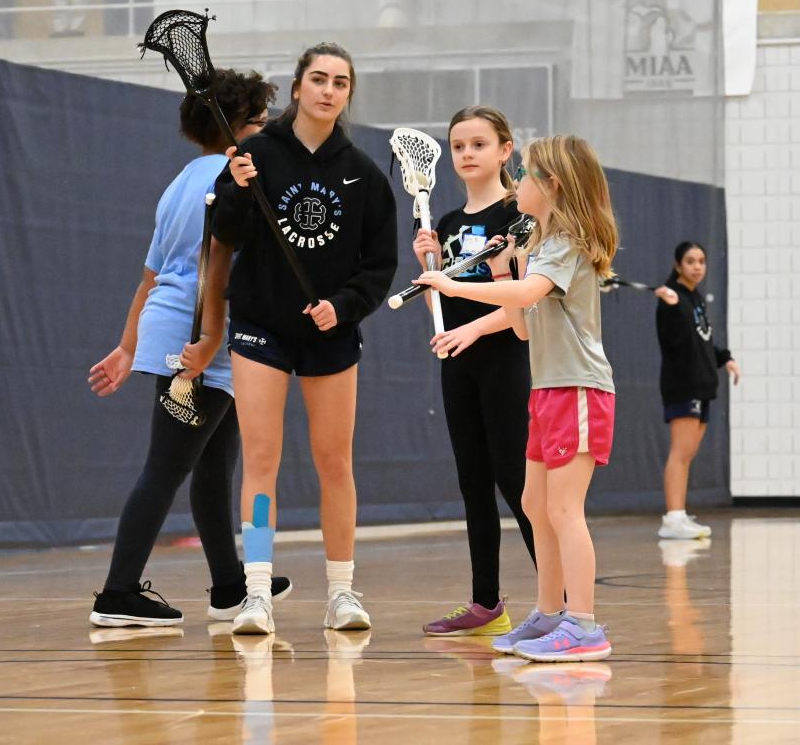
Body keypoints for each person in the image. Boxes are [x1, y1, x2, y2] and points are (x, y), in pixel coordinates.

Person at [416, 135, 674, 662]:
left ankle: (584, 626)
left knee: (562, 508)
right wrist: (505, 272)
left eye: (529, 175)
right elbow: (524, 326)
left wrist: (454, 285)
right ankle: (550, 614)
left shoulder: (568, 242)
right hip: (547, 389)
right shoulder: (539, 245)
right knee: (535, 505)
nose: (520, 183)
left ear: (552, 185)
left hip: (579, 389)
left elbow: (529, 296)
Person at [86, 69, 292, 627]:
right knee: (166, 467)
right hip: (200, 337)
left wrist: (130, 345)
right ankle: (118, 593)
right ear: (240, 128)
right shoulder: (235, 179)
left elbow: (149, 276)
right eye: (261, 121)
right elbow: (212, 269)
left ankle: (229, 585)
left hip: (176, 330)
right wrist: (205, 341)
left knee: (212, 466)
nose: (268, 129)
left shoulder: (180, 181)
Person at [212, 42, 398, 635]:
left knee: (334, 461)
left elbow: (379, 265)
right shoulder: (254, 154)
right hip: (262, 325)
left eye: (340, 82)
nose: (328, 90)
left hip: (330, 334)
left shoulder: (365, 174)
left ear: (347, 95)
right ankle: (258, 595)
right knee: (261, 458)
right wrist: (238, 188)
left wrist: (342, 307)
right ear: (296, 88)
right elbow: (227, 234)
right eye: (318, 79)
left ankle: (341, 593)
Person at [411, 106, 536, 637]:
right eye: (458, 145)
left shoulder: (519, 216)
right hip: (458, 364)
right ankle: (486, 602)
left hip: (505, 358)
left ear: (505, 150)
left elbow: (524, 304)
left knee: (518, 481)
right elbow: (439, 309)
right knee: (472, 482)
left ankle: (565, 603)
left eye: (479, 144)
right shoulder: (445, 224)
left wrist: (472, 331)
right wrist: (428, 271)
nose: (466, 154)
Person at [655, 241, 740, 540]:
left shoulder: (694, 297)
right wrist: (673, 309)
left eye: (702, 261)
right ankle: (673, 518)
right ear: (678, 265)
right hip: (683, 385)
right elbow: (674, 342)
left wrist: (724, 358)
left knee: (688, 454)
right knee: (680, 453)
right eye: (690, 261)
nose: (697, 266)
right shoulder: (671, 298)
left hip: (703, 385)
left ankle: (679, 512)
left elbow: (702, 339)